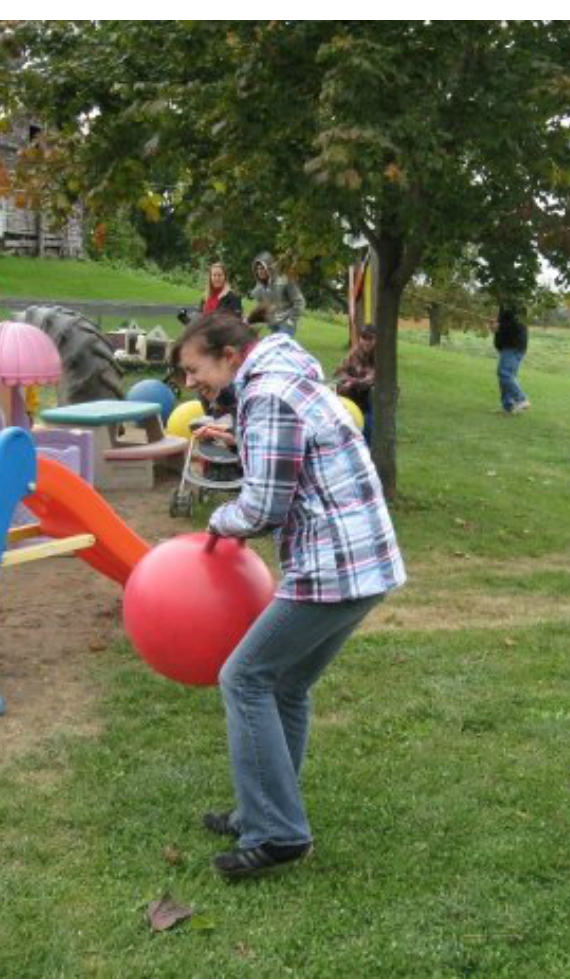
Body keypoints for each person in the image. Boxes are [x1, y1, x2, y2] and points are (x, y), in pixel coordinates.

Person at [174, 311, 406, 879]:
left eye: (193, 368)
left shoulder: (268, 395)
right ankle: (269, 807)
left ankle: (278, 832)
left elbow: (261, 510)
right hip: (365, 563)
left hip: (333, 567)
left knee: (244, 678)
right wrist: (239, 436)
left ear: (230, 355)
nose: (189, 384)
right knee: (287, 685)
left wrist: (215, 523)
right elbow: (295, 448)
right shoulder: (283, 376)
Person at [246, 252, 304, 337]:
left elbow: (299, 301)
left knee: (281, 348)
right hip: (272, 325)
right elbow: (261, 307)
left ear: (270, 267)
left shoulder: (285, 280)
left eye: (262, 268)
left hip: (286, 324)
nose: (260, 271)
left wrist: (291, 320)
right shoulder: (260, 287)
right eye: (257, 269)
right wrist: (251, 320)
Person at [334, 323, 378, 429]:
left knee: (372, 393)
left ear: (376, 339)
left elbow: (371, 380)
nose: (366, 341)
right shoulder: (355, 352)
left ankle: (369, 431)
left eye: (370, 338)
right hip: (356, 390)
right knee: (338, 386)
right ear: (359, 338)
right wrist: (346, 381)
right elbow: (339, 372)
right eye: (364, 337)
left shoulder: (381, 355)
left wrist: (351, 382)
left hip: (373, 392)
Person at [494, 302, 532, 414]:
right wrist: (497, 326)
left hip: (514, 346)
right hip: (507, 345)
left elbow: (516, 325)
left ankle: (521, 399)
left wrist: (500, 326)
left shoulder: (517, 303)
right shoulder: (505, 303)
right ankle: (508, 406)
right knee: (506, 376)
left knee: (504, 373)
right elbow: (504, 324)